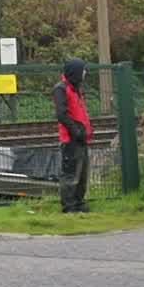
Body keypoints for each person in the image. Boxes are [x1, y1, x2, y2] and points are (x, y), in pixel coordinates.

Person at [53, 58, 92, 214]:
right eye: (82, 70)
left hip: (81, 137)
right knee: (70, 174)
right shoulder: (61, 89)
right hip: (70, 139)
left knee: (82, 173)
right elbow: (62, 114)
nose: (84, 73)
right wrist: (76, 131)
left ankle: (79, 202)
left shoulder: (76, 88)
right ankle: (69, 205)